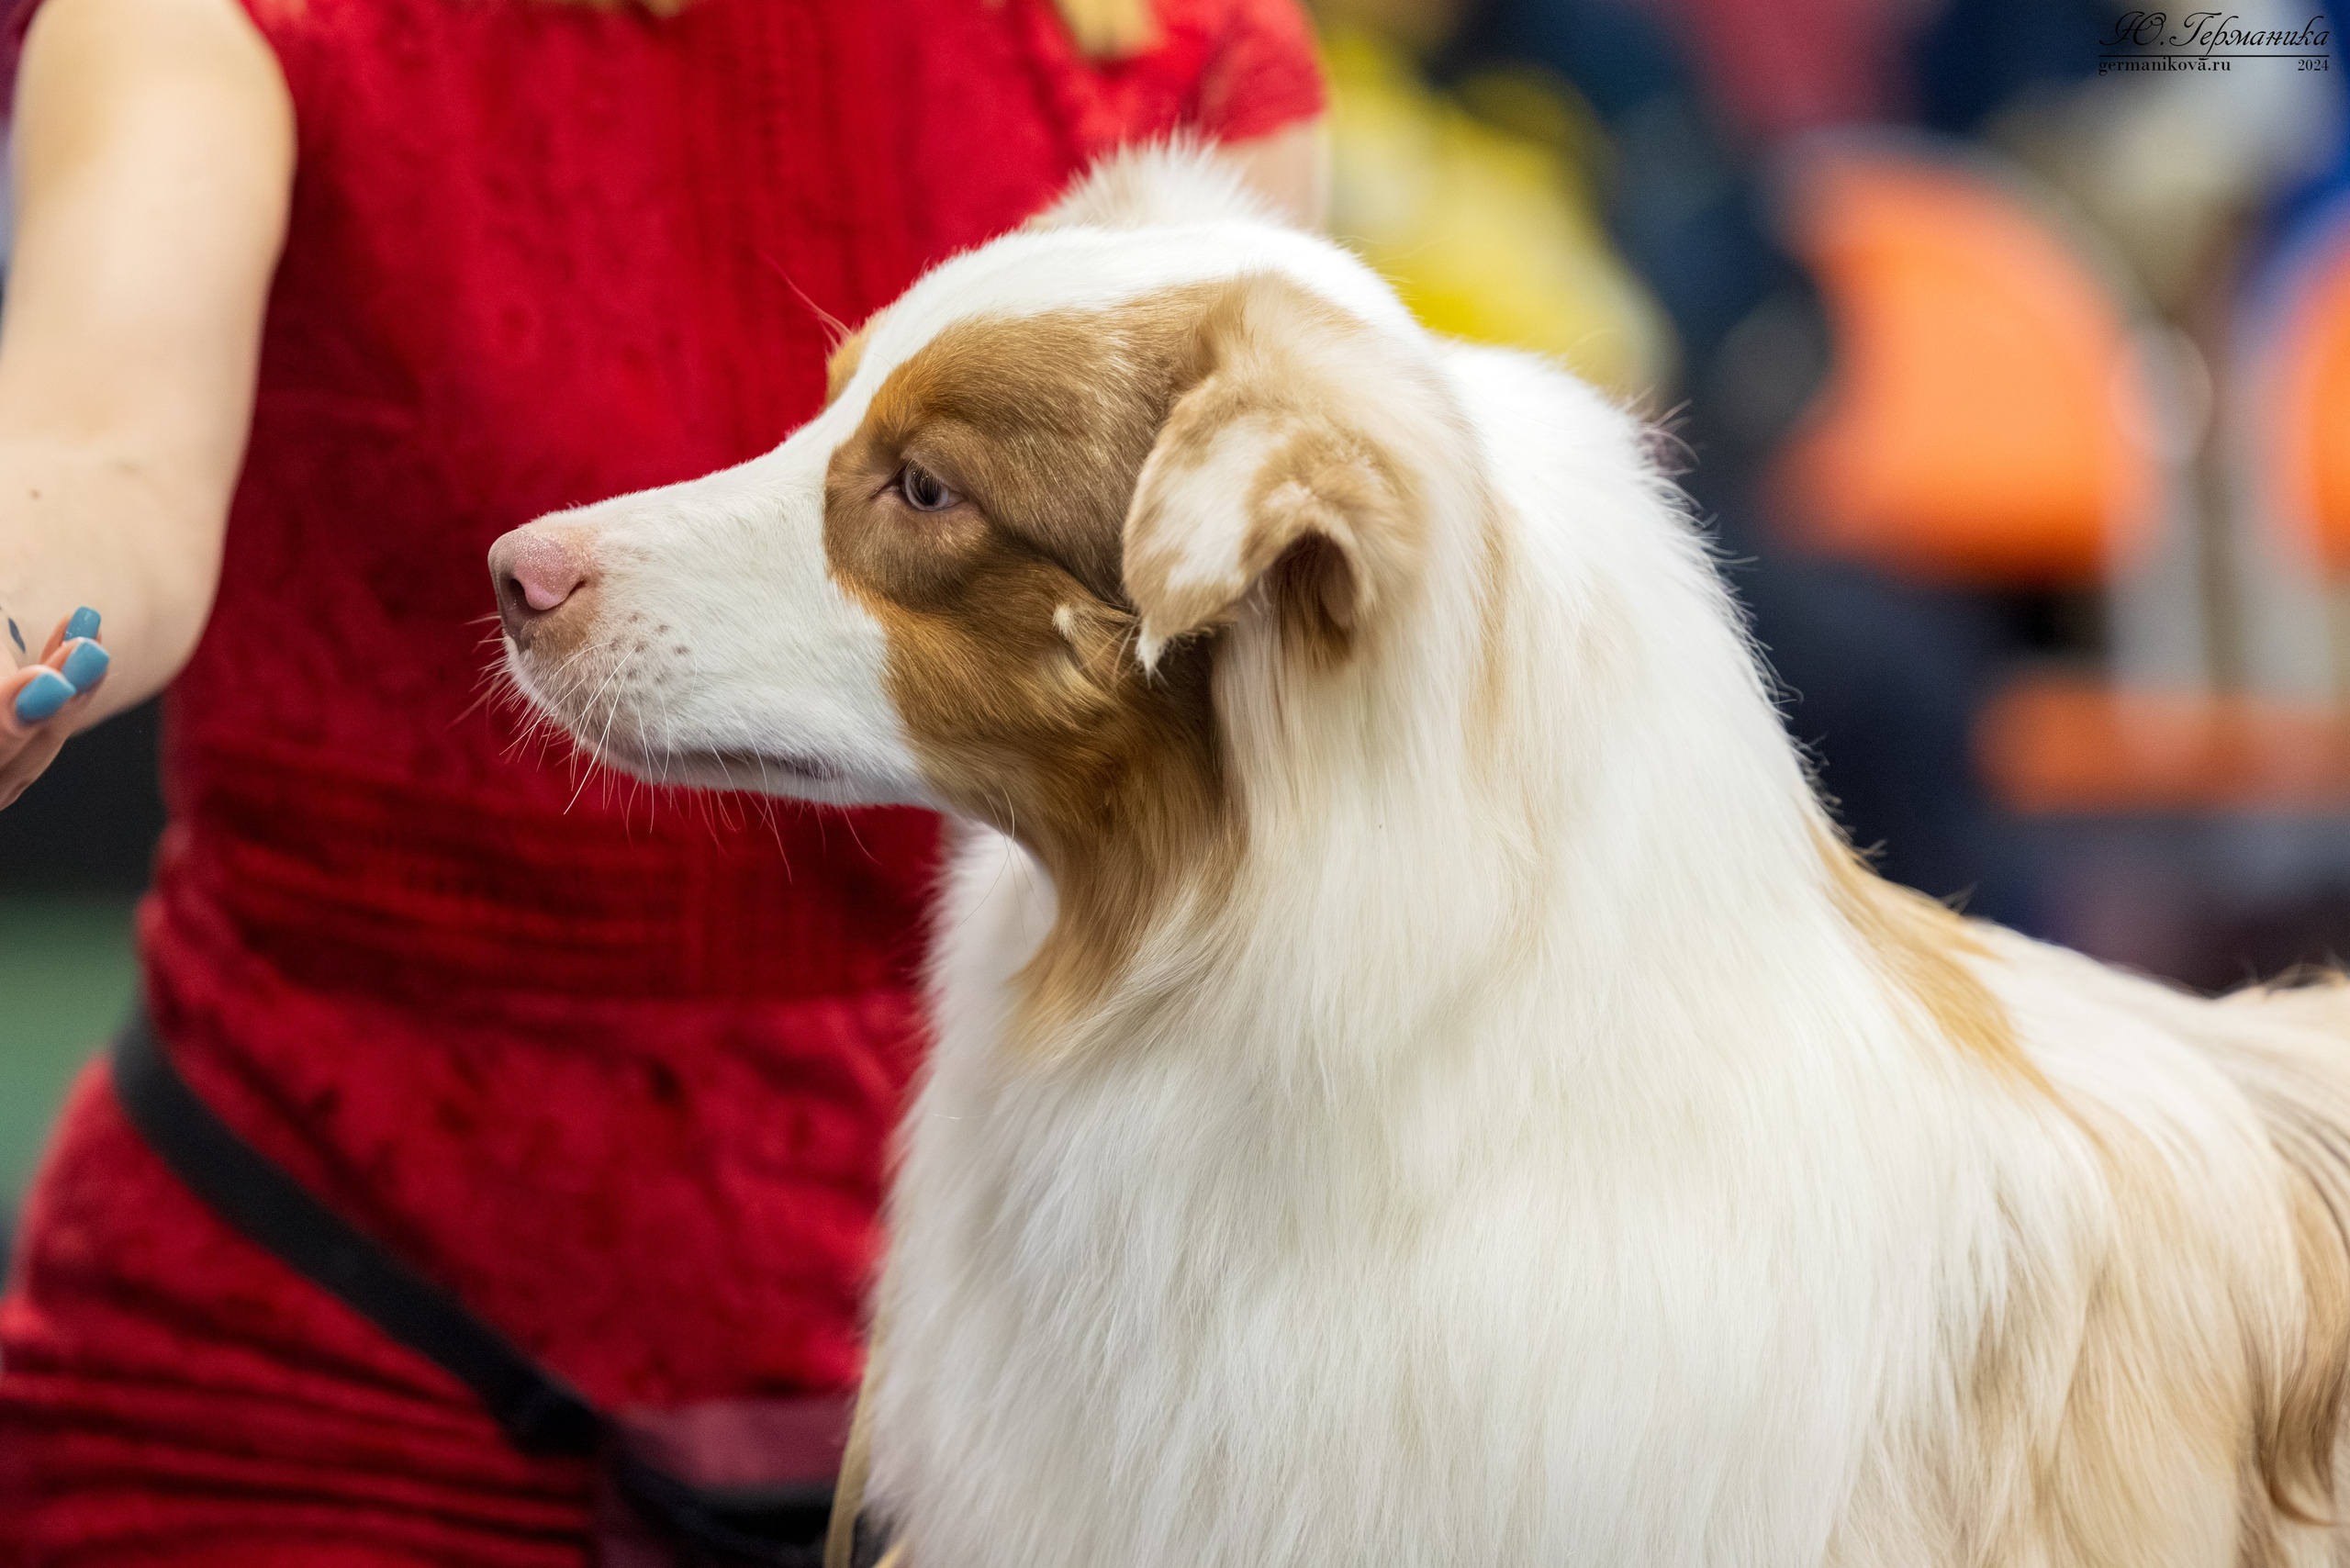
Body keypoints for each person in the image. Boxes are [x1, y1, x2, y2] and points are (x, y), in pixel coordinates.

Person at [0, 0, 1325, 1562]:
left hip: (991, 1389)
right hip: (299, 1343)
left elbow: (1221, 712)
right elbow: (101, 453)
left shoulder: (1168, 42)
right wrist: (24, 617)